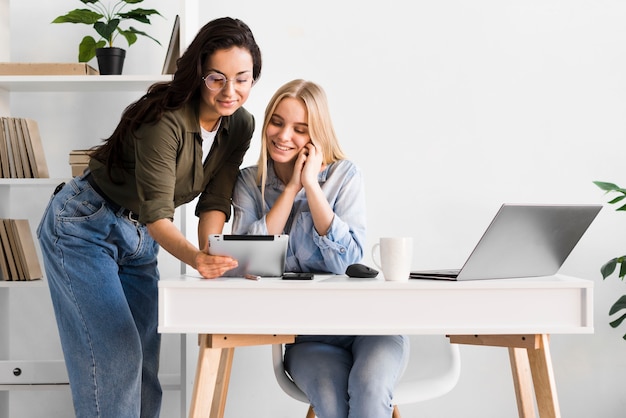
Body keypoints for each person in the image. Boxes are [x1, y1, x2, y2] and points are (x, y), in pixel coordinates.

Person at [37, 17, 261, 418]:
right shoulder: (165, 120)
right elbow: (160, 215)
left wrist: (217, 258)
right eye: (216, 79)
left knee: (144, 366)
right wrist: (196, 260)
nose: (231, 92)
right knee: (116, 357)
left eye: (242, 78)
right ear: (199, 74)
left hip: (139, 237)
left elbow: (215, 198)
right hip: (84, 225)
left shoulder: (240, 124)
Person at [231, 79, 409, 418]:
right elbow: (244, 260)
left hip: (371, 327)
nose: (284, 136)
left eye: (300, 129)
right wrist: (290, 190)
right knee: (331, 402)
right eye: (278, 122)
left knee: (369, 391)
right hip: (309, 337)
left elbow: (348, 261)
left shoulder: (345, 176)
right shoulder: (248, 183)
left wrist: (311, 186)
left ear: (317, 135)